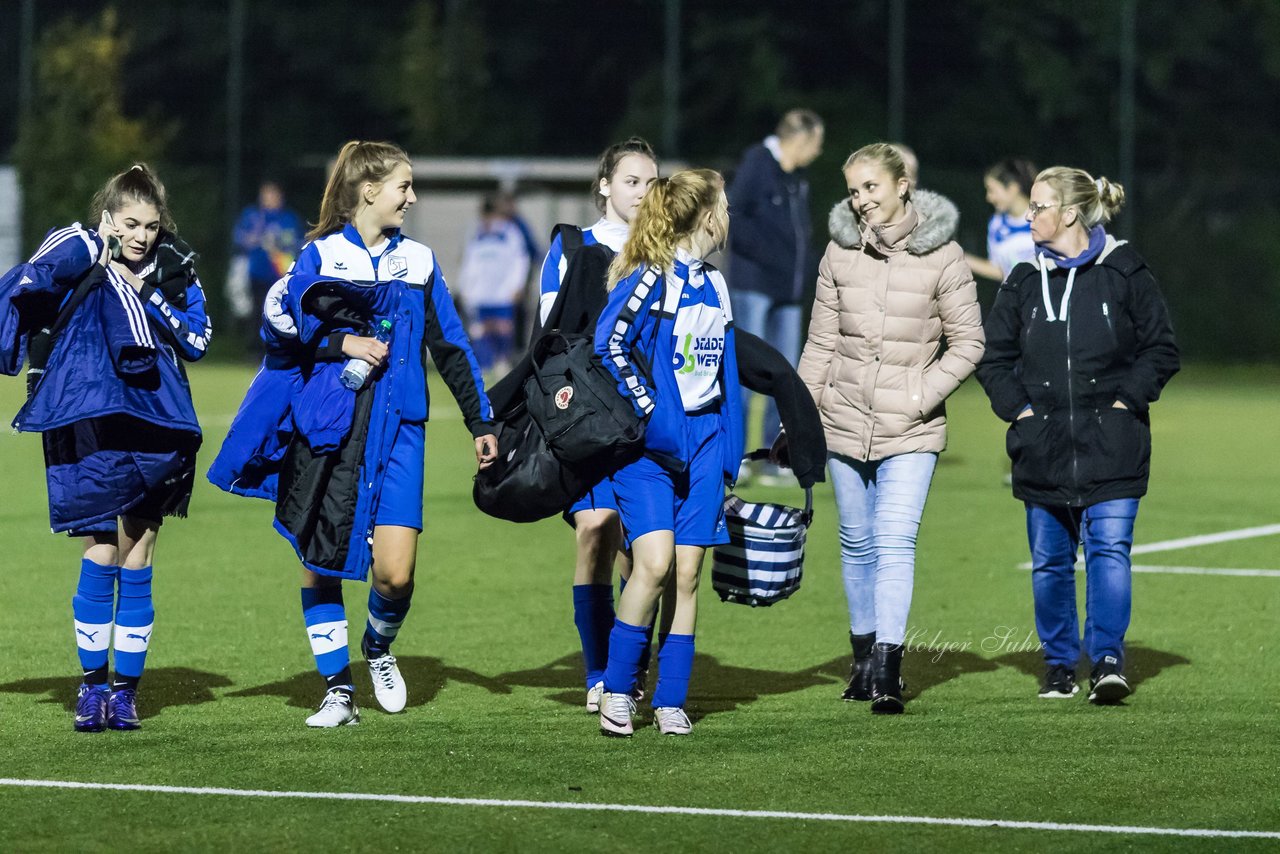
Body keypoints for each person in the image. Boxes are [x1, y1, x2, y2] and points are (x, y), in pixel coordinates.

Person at [208, 141, 497, 727]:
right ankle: (338, 689)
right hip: (330, 425)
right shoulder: (316, 256)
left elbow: (451, 346)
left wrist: (481, 419)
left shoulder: (416, 260)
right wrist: (343, 343)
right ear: (369, 190)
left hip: (400, 432)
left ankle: (377, 649)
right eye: (403, 186)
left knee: (395, 573)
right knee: (320, 557)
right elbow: (285, 332)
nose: (411, 197)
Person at [0, 164, 211, 732]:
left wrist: (151, 298)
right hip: (93, 422)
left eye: (150, 225)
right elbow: (37, 299)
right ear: (108, 219)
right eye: (130, 224)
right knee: (100, 551)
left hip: (156, 422)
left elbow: (197, 340)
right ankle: (91, 688)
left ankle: (126, 693)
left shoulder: (174, 268)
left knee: (137, 552)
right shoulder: (84, 258)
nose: (140, 236)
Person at [975, 167, 1178, 705]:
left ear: (1069, 214)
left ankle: (1108, 660)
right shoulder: (1021, 279)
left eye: (1038, 206)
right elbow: (993, 358)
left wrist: (1124, 402)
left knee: (1109, 549)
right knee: (1050, 562)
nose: (1028, 215)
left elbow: (1161, 348)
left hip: (1114, 443)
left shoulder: (1126, 270)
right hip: (1042, 446)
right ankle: (1061, 665)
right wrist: (1019, 412)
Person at [796, 143, 984, 714]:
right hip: (843, 419)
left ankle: (887, 670)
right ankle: (859, 661)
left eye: (871, 187)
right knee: (856, 542)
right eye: (854, 190)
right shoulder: (839, 253)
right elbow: (821, 344)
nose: (861, 201)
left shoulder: (944, 257)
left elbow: (970, 344)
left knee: (896, 541)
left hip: (912, 429)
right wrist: (801, 415)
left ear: (903, 185)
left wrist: (917, 396)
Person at [593, 168, 743, 737]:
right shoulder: (649, 279)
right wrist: (650, 410)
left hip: (705, 447)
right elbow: (609, 344)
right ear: (706, 216)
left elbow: (724, 371)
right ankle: (616, 690)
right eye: (723, 205)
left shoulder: (717, 284)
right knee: (652, 565)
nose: (728, 214)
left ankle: (671, 699)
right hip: (647, 453)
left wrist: (729, 449)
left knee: (687, 573)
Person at [726, 109, 823, 481]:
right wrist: (769, 259)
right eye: (816, 143)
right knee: (742, 374)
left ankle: (773, 457)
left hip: (788, 291)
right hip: (754, 287)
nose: (817, 152)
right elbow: (733, 215)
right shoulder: (757, 164)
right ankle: (733, 458)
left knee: (785, 376)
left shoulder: (797, 179)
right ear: (800, 139)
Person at [456, 192, 535, 376]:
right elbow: (468, 261)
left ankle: (502, 361)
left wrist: (517, 285)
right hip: (479, 292)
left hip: (502, 291)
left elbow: (520, 259)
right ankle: (484, 363)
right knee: (480, 330)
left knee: (502, 326)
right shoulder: (475, 231)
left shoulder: (510, 231)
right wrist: (464, 286)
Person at [229, 180, 304, 336]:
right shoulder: (252, 216)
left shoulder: (288, 218)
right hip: (257, 270)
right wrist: (252, 239)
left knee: (281, 310)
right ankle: (254, 348)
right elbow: (238, 237)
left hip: (281, 272)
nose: (269, 199)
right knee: (257, 310)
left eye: (272, 195)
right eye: (266, 195)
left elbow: (298, 242)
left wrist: (280, 243)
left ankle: (280, 343)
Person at [965, 158, 1039, 282]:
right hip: (1013, 300)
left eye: (992, 190)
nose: (988, 197)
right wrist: (959, 256)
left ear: (1012, 188)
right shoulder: (996, 224)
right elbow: (1000, 271)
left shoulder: (1043, 217)